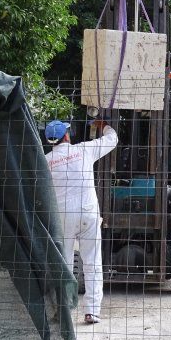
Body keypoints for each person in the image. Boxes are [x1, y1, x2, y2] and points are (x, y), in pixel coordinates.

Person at [44, 119, 118, 324]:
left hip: (63, 216)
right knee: (92, 262)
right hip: (88, 213)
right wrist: (103, 124)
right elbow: (113, 139)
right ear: (67, 135)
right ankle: (92, 311)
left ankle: (64, 309)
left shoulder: (45, 161)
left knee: (64, 264)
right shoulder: (84, 150)